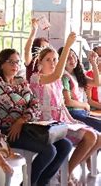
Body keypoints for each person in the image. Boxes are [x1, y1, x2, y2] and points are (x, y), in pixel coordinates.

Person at [0, 25, 72, 186]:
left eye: (17, 62)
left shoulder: (21, 82)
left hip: (26, 127)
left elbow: (35, 104)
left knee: (65, 145)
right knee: (49, 150)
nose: (15, 65)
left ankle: (42, 181)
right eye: (10, 62)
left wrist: (22, 119)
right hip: (8, 132)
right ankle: (29, 183)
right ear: (1, 64)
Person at [30, 34, 100, 184]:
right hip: (47, 123)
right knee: (90, 136)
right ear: (40, 62)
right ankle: (65, 173)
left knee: (96, 136)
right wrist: (67, 46)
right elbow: (57, 75)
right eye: (48, 60)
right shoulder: (37, 78)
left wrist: (72, 120)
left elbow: (62, 105)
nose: (53, 63)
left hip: (63, 119)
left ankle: (66, 170)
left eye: (55, 59)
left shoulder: (57, 82)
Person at [59, 48, 101, 132]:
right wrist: (84, 105)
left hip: (82, 112)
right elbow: (68, 102)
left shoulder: (78, 75)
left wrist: (93, 62)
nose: (72, 59)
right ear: (62, 60)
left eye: (73, 56)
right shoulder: (64, 77)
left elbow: (97, 82)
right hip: (72, 113)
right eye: (68, 58)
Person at [24, 18, 50, 82]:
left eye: (47, 48)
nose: (46, 50)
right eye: (43, 47)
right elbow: (27, 50)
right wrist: (34, 30)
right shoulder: (31, 62)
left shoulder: (50, 63)